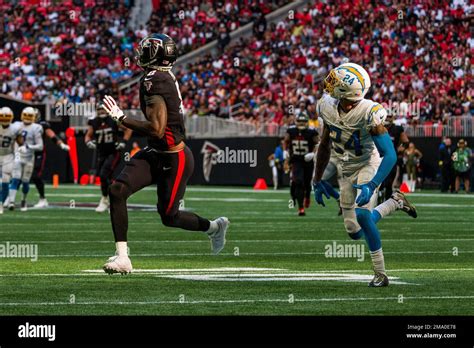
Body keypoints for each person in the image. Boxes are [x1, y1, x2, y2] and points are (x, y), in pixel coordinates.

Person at [101, 34, 229, 274]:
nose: (141, 53)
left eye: (146, 49)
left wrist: (121, 118)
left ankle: (214, 227)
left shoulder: (154, 80)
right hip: (155, 153)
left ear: (156, 54)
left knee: (170, 217)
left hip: (174, 158)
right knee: (117, 190)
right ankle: (123, 258)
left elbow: (157, 129)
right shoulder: (159, 76)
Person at [313, 62, 417, 287]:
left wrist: (372, 184)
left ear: (346, 92)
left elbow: (389, 155)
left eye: (335, 82)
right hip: (346, 167)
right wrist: (317, 178)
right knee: (354, 231)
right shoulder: (326, 106)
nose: (329, 83)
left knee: (362, 215)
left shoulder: (370, 111)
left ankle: (380, 273)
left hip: (369, 163)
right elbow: (324, 144)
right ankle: (394, 203)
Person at [85, 108, 132, 213]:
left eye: (103, 109)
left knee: (103, 175)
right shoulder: (94, 121)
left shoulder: (113, 120)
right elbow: (88, 135)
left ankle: (106, 199)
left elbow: (129, 129)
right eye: (99, 109)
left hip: (113, 153)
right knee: (105, 178)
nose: (101, 111)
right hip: (101, 153)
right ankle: (113, 201)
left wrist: (123, 142)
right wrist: (88, 142)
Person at [31, 108, 70, 208]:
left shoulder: (42, 125)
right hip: (26, 153)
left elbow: (52, 135)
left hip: (38, 153)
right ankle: (10, 198)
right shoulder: (22, 125)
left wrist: (61, 144)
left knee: (35, 175)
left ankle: (42, 199)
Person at [7, 107, 43, 211]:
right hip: (18, 155)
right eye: (26, 115)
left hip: (29, 157)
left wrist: (28, 147)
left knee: (25, 181)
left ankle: (23, 200)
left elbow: (40, 146)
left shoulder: (36, 128)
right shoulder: (16, 125)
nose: (27, 118)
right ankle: (11, 202)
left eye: (29, 116)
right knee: (15, 179)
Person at [284, 112, 319, 216]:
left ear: (307, 122)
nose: (301, 123)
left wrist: (313, 153)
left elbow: (318, 143)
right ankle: (301, 208)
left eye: (304, 121)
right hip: (296, 160)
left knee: (307, 183)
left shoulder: (312, 132)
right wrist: (285, 151)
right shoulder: (291, 131)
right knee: (298, 182)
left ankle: (307, 196)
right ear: (296, 121)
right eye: (300, 121)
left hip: (307, 160)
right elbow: (285, 141)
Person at [379, 114, 409, 202]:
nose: (388, 118)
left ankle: (386, 202)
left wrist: (401, 148)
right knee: (379, 182)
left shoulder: (397, 129)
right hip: (378, 157)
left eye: (389, 116)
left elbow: (405, 141)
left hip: (391, 157)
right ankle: (378, 199)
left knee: (389, 182)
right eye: (386, 116)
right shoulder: (377, 127)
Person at [0, 107, 23, 214]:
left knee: (5, 182)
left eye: (7, 117)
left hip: (8, 157)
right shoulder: (16, 127)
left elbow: (21, 142)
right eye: (2, 117)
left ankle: (2, 203)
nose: (4, 119)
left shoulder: (15, 128)